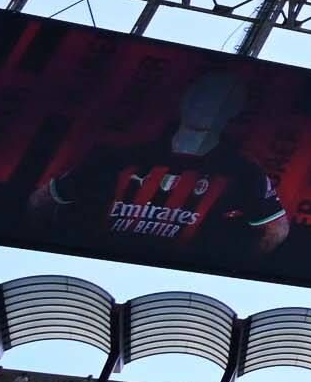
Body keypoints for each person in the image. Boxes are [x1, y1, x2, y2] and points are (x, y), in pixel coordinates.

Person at [30, 70, 294, 258]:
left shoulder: (243, 171)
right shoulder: (117, 156)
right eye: (202, 96)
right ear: (185, 99)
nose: (208, 106)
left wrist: (230, 266)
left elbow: (276, 229)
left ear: (234, 110)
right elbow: (43, 200)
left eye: (220, 100)